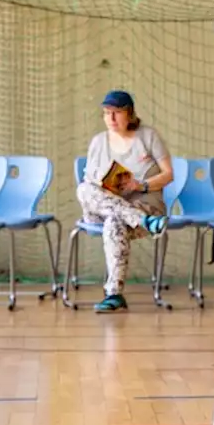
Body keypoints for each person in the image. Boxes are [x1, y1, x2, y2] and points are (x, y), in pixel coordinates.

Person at [76, 90, 172, 313]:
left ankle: (114, 294)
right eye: (107, 113)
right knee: (84, 189)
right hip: (107, 206)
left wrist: (141, 185)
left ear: (129, 114)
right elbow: (90, 181)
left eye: (116, 113)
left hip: (144, 204)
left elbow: (168, 175)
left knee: (114, 222)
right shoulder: (98, 142)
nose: (111, 119)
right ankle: (142, 220)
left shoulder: (148, 137)